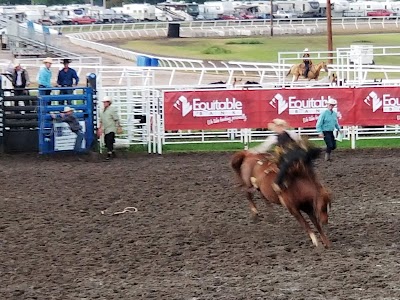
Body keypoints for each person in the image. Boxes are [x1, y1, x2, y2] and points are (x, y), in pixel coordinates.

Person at [249, 118, 308, 198]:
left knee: (282, 167)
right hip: (289, 155)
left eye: (278, 127)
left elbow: (300, 142)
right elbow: (264, 147)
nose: (277, 128)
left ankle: (277, 183)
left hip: (289, 156)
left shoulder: (290, 134)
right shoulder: (286, 135)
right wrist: (253, 151)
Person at [97, 96, 121, 161]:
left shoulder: (112, 110)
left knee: (109, 140)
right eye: (104, 102)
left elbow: (116, 119)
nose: (104, 103)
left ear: (109, 103)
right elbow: (101, 120)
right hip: (106, 128)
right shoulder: (102, 111)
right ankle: (112, 152)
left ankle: (109, 154)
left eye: (106, 102)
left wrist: (118, 126)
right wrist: (100, 128)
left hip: (111, 127)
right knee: (107, 141)